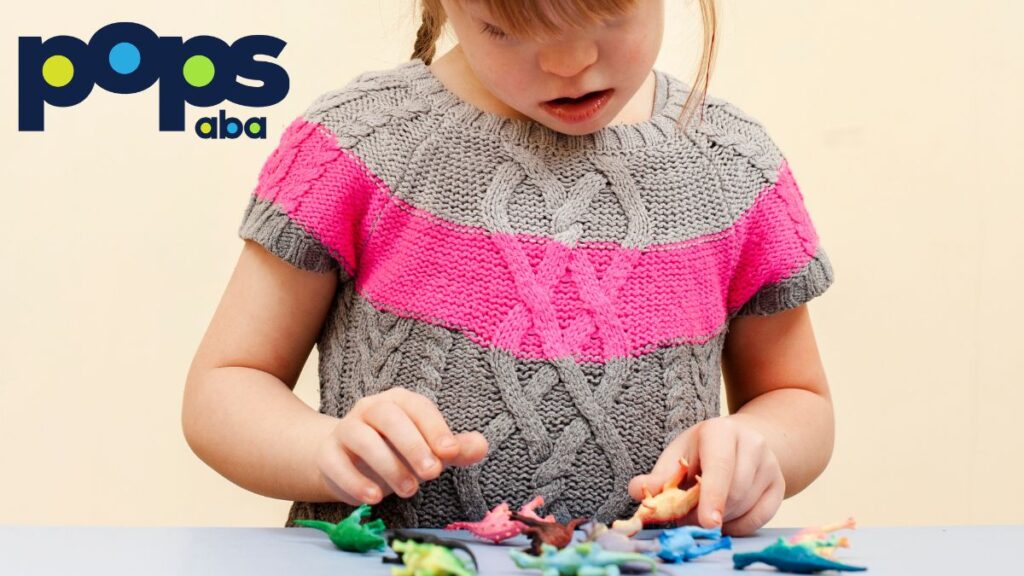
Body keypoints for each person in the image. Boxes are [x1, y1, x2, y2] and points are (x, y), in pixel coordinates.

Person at [182, 0, 836, 537]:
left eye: (611, 13)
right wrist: (324, 451)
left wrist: (755, 450)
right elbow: (225, 387)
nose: (570, 62)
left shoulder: (734, 167)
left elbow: (798, 400)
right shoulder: (357, 144)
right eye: (507, 27)